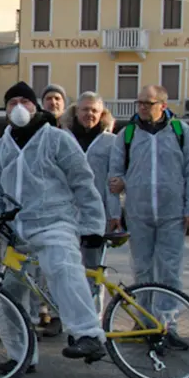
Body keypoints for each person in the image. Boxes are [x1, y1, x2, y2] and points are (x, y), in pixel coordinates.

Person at [0, 81, 107, 373]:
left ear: (35, 106)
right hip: (16, 230)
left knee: (63, 270)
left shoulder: (57, 139)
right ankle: (21, 355)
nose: (18, 108)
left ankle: (88, 334)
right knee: (10, 293)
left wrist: (93, 225)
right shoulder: (3, 145)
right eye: (11, 102)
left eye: (23, 102)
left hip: (55, 222)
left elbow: (82, 180)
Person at [108, 84, 189, 350]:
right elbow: (114, 175)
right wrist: (116, 211)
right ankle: (144, 321)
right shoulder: (127, 134)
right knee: (142, 270)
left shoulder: (182, 133)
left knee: (170, 271)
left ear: (163, 105)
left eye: (148, 103)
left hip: (173, 214)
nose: (142, 108)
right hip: (139, 214)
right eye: (140, 103)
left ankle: (166, 325)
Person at [60, 92, 120, 316]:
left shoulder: (111, 142)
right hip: (66, 215)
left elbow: (114, 180)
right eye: (85, 109)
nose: (89, 114)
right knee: (66, 270)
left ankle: (94, 320)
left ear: (102, 114)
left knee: (94, 272)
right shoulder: (62, 138)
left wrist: (115, 214)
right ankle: (68, 319)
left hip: (97, 215)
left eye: (94, 110)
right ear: (76, 112)